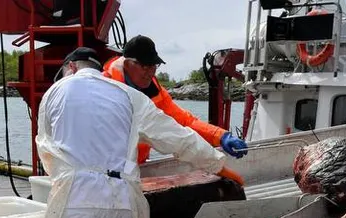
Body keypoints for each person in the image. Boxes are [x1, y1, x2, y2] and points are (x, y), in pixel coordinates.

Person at [30, 47, 230, 218]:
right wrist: (216, 161)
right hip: (123, 199)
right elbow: (176, 136)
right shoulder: (128, 95)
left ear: (71, 67)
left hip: (75, 196)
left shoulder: (55, 92)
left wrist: (67, 180)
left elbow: (46, 149)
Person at [103, 35, 248, 184]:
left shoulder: (155, 92)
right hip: (107, 173)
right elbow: (177, 140)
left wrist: (221, 135)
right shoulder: (104, 89)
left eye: (154, 66)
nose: (150, 72)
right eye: (145, 66)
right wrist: (217, 166)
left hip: (137, 168)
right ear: (127, 64)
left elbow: (184, 122)